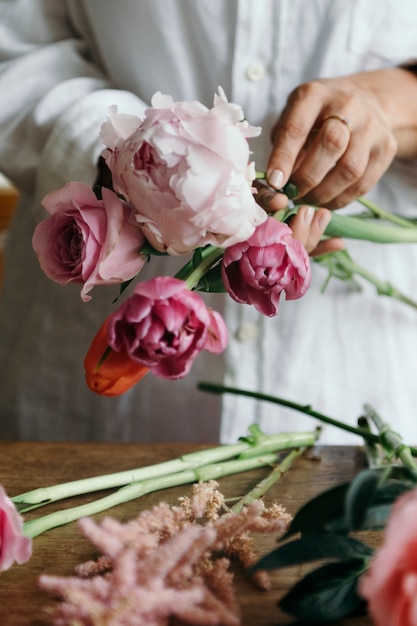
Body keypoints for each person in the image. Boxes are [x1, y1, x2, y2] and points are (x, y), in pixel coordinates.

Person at [1, 0, 417, 445]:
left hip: (361, 369)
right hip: (90, 415)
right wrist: (137, 167)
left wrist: (393, 99)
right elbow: (16, 50)